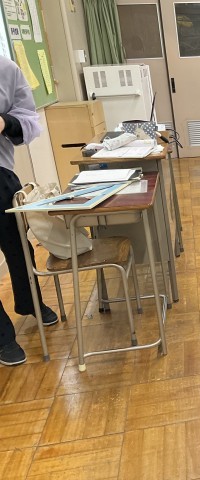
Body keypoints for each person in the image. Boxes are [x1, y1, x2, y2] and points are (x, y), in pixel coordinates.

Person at [0, 56, 59, 366]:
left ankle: (30, 301)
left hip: (0, 172)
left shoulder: (6, 68)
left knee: (18, 246)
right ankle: (2, 336)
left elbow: (28, 121)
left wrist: (5, 122)